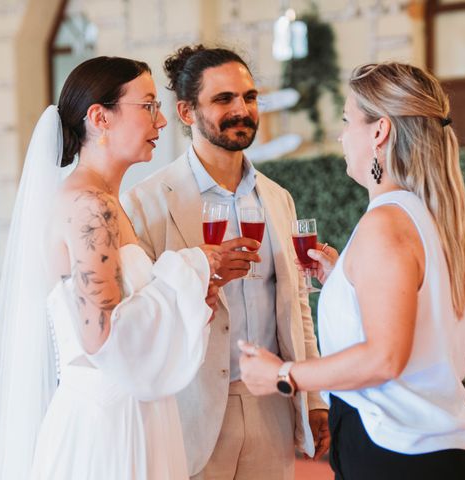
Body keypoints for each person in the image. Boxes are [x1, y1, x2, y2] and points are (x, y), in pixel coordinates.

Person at [0, 56, 223, 480]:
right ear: (99, 117)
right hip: (109, 424)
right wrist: (192, 266)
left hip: (133, 407)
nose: (160, 122)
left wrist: (193, 294)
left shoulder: (103, 201)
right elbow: (99, 336)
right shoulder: (90, 208)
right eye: (147, 106)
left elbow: (129, 308)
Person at [239, 62, 465, 480]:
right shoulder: (427, 215)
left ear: (379, 132)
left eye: (346, 120)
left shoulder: (386, 224)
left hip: (396, 455)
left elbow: (384, 357)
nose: (340, 135)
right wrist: (342, 282)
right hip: (434, 450)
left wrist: (283, 374)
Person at [122, 45, 329, 480]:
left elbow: (297, 303)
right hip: (187, 405)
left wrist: (312, 399)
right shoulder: (146, 202)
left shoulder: (278, 198)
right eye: (223, 100)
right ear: (185, 111)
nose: (242, 110)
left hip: (271, 402)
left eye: (249, 97)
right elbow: (134, 319)